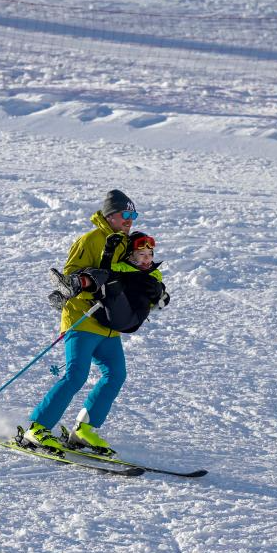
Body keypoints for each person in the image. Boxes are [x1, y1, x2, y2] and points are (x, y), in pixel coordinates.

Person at [24, 190, 168, 456]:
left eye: (133, 215)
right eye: (125, 214)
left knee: (116, 375)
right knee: (76, 375)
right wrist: (93, 286)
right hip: (83, 318)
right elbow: (70, 276)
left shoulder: (127, 243)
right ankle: (38, 428)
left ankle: (84, 429)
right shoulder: (91, 240)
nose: (130, 220)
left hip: (109, 323)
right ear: (110, 215)